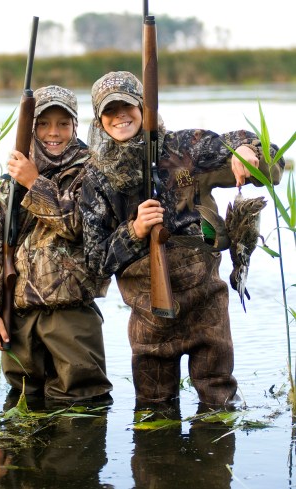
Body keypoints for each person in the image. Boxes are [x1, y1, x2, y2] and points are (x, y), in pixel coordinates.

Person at [80, 71, 285, 408]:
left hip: (207, 304)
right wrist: (135, 231)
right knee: (153, 414)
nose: (120, 115)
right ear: (99, 120)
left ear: (144, 108)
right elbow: (94, 263)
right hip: (149, 318)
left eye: (128, 106)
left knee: (219, 407)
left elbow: (266, 157)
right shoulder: (96, 178)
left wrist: (248, 151)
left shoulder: (184, 146)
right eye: (109, 110)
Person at [0, 85, 112, 403]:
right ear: (31, 127)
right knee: (23, 403)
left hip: (71, 315)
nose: (54, 132)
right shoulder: (12, 179)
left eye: (63, 123)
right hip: (18, 318)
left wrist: (34, 182)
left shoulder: (93, 171)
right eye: (43, 123)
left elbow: (79, 226)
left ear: (76, 126)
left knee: (81, 403)